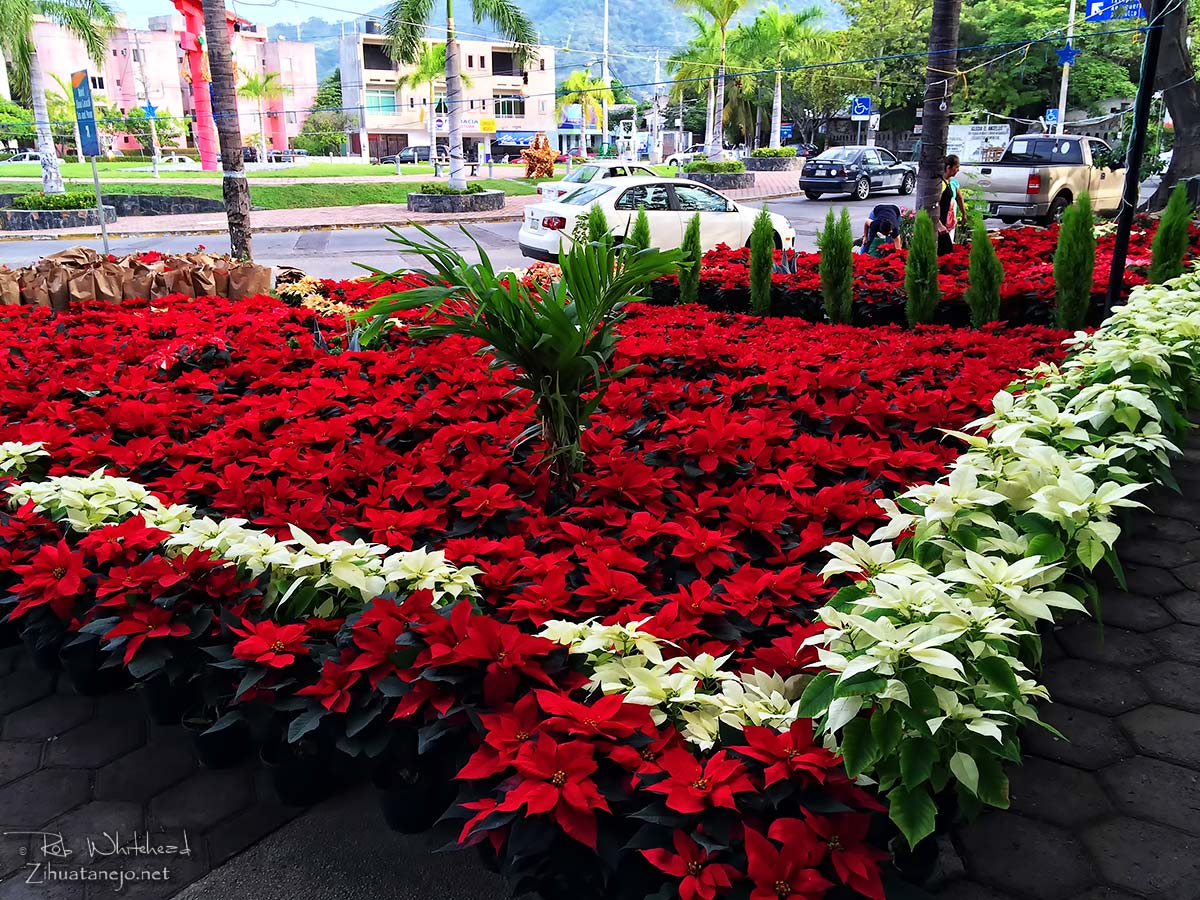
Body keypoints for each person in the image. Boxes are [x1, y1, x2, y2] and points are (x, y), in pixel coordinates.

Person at [938, 154, 967, 255]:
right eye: (956, 167)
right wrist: (939, 225)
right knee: (944, 249)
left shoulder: (952, 182)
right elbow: (934, 205)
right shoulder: (940, 184)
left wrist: (963, 213)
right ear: (948, 167)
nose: (958, 170)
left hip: (949, 219)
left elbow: (959, 197)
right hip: (940, 222)